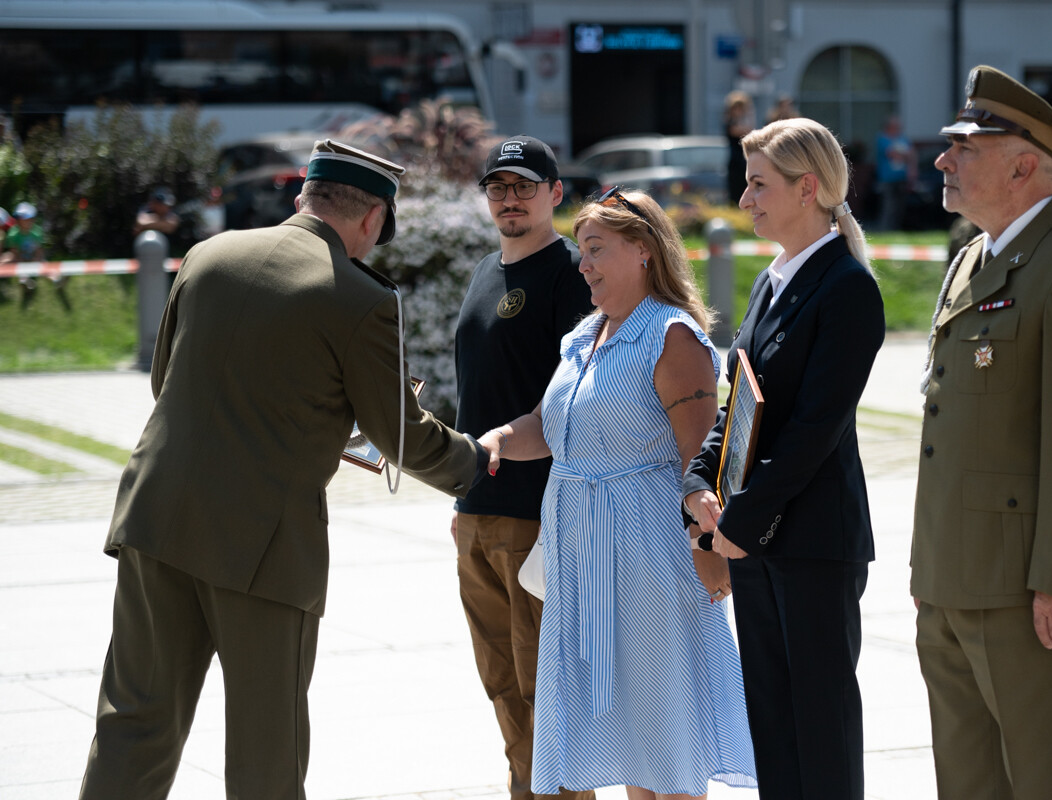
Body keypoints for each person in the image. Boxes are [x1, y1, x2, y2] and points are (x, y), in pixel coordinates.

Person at [78, 139, 495, 800]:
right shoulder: (360, 299)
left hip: (156, 517)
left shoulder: (209, 256)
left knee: (133, 727)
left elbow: (167, 381)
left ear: (306, 195)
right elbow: (400, 437)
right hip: (263, 546)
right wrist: (478, 461)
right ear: (372, 220)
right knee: (263, 758)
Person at [479, 188, 757, 798]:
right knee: (629, 744)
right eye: (582, 251)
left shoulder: (672, 336)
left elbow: (704, 455)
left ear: (644, 252)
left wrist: (707, 546)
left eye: (598, 250)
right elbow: (553, 428)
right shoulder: (584, 335)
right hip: (581, 556)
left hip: (650, 560)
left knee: (664, 741)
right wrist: (499, 438)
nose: (583, 264)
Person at [912, 65, 1052, 800]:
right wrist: (929, 574)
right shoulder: (975, 255)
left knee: (1046, 783)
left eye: (964, 147)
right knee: (967, 786)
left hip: (1027, 595)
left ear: (1023, 164)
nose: (943, 159)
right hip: (950, 580)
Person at [683, 118, 886, 799]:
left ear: (808, 188)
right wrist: (697, 485)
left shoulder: (846, 287)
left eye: (759, 185)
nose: (746, 201)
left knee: (820, 734)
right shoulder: (774, 282)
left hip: (812, 545)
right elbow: (739, 402)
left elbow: (813, 430)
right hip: (761, 542)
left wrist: (738, 520)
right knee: (772, 724)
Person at [451, 134, 594, 800]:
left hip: (538, 515)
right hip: (476, 511)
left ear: (555, 194)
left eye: (525, 187)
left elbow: (580, 394)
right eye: (498, 188)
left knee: (548, 689)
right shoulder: (486, 271)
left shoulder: (571, 274)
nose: (510, 200)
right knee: (501, 687)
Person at [1, 201, 47, 308]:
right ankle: (25, 282)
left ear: (32, 219)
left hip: (34, 258)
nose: (23, 221)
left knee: (45, 266)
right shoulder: (13, 233)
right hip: (20, 258)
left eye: (25, 218)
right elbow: (15, 253)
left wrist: (35, 261)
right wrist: (21, 262)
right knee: (10, 260)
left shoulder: (37, 232)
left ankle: (56, 280)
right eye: (21, 218)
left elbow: (39, 252)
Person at [874, 115, 916, 231]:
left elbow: (912, 155)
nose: (898, 128)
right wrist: (906, 154)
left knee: (900, 207)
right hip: (887, 179)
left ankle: (896, 229)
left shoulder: (903, 138)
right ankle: (885, 229)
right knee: (888, 207)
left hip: (902, 178)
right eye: (895, 126)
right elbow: (892, 153)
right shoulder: (882, 139)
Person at [724, 91, 755, 206]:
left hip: (744, 159)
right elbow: (742, 131)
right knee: (735, 192)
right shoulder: (730, 121)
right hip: (735, 160)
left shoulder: (743, 120)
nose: (739, 111)